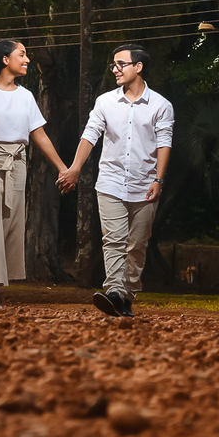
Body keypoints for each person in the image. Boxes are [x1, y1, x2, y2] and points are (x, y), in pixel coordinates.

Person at [0, 37, 71, 309]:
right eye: (22, 54)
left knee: (9, 225)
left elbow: (39, 134)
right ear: (5, 59)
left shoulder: (26, 96)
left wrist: (62, 167)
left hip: (17, 164)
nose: (27, 59)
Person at [58, 43, 173, 317]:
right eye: (114, 64)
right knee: (113, 241)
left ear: (138, 67)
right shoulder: (105, 102)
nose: (115, 69)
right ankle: (114, 292)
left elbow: (164, 144)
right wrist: (75, 169)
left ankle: (127, 296)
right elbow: (90, 135)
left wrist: (159, 179)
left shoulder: (161, 105)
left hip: (145, 185)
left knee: (138, 245)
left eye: (121, 64)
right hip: (110, 182)